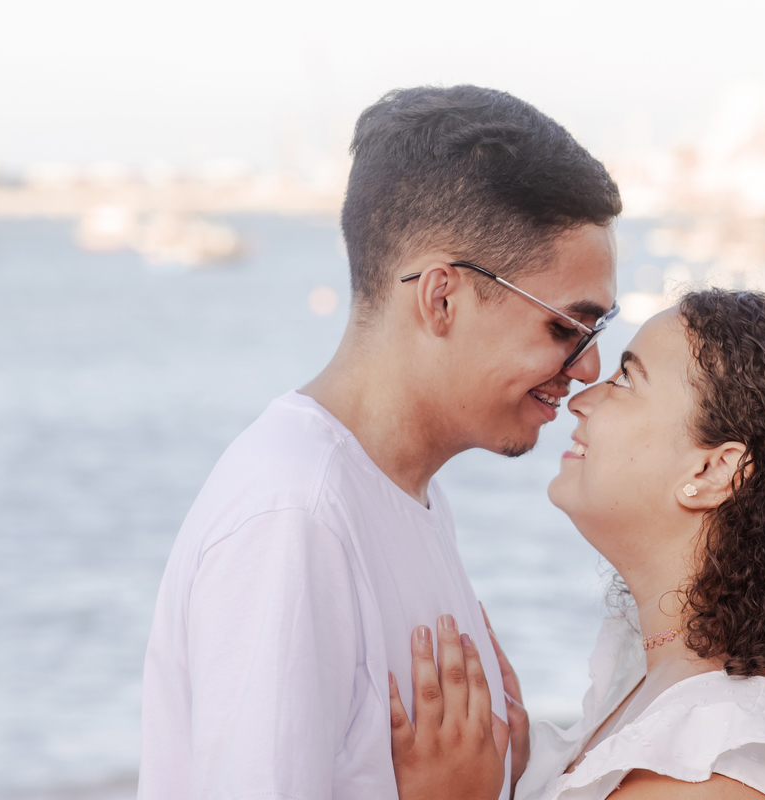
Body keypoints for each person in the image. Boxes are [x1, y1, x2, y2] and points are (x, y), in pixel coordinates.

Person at [137, 85, 622, 800]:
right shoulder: (294, 519)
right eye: (565, 328)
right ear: (441, 298)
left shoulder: (400, 492)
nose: (588, 367)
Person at [391, 289, 765, 800]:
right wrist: (526, 771)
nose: (581, 399)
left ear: (715, 470)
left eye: (626, 379)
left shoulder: (710, 770)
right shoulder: (679, 669)